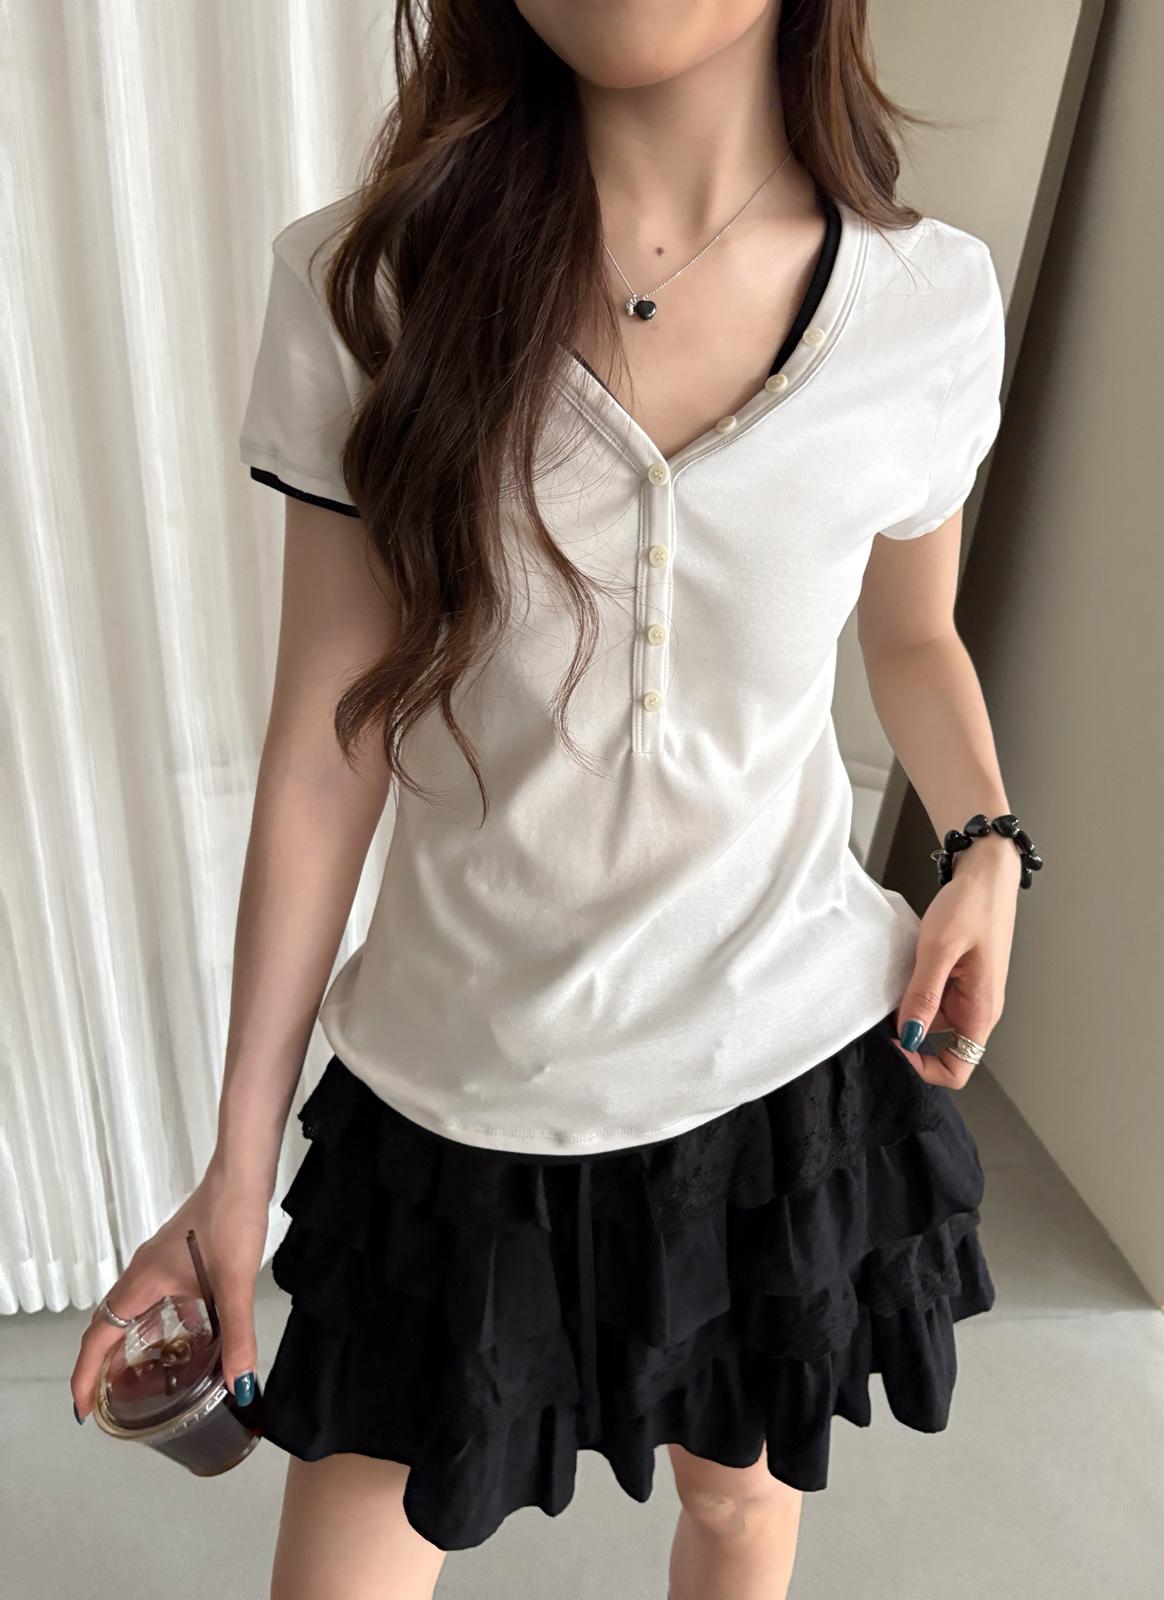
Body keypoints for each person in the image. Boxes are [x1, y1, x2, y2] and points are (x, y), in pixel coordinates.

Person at [72, 2, 1039, 1595]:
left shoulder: (926, 304)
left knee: (738, 1508)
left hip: (772, 1067)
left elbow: (913, 635)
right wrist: (236, 1165)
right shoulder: (370, 287)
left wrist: (988, 843)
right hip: (453, 1083)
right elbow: (327, 747)